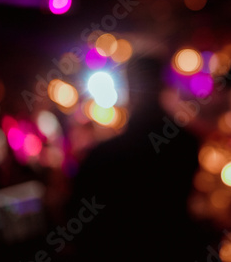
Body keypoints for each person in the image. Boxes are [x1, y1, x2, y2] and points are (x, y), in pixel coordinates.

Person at [65, 54, 208, 261]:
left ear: (130, 89)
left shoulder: (104, 155)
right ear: (163, 86)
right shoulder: (187, 143)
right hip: (176, 248)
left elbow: (79, 221)